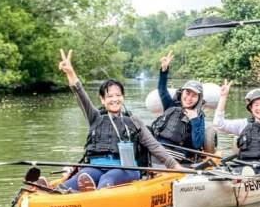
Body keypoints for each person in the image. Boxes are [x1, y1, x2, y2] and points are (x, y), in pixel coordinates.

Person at [57, 49, 184, 192]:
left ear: (123, 97)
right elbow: (80, 95)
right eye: (110, 96)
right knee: (79, 178)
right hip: (96, 166)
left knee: (107, 179)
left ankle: (92, 195)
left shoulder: (133, 121)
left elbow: (154, 146)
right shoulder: (95, 117)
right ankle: (60, 192)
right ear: (102, 100)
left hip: (126, 168)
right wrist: (70, 73)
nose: (114, 99)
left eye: (118, 95)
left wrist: (175, 166)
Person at [151, 51, 205, 157]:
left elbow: (198, 143)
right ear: (181, 92)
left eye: (194, 96)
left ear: (199, 99)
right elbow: (162, 90)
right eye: (187, 93)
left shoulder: (198, 116)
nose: (189, 98)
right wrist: (164, 71)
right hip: (158, 147)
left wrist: (194, 120)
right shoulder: (171, 105)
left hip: (178, 154)